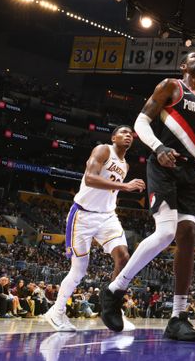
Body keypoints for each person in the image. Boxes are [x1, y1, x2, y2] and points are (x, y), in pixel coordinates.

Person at [101, 52, 195, 342]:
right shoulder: (170, 87)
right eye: (192, 55)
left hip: (191, 172)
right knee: (167, 231)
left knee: (189, 234)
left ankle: (178, 317)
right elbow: (141, 122)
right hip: (163, 165)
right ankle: (115, 289)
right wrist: (157, 148)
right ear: (183, 66)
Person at [44, 125, 145, 332]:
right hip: (83, 214)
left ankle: (113, 307)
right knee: (79, 269)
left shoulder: (124, 164)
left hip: (107, 216)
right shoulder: (103, 150)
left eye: (131, 134)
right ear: (113, 137)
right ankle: (57, 311)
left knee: (124, 257)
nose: (128, 136)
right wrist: (125, 186)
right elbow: (90, 178)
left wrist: (121, 187)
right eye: (123, 132)